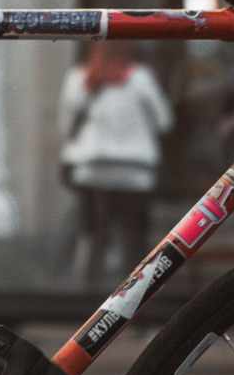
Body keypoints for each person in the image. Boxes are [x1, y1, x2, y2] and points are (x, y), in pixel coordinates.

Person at [58, 40, 172, 282]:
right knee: (134, 239)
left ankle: (89, 293)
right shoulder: (141, 79)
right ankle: (135, 296)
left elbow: (66, 128)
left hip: (91, 169)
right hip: (135, 172)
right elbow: (164, 121)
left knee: (94, 235)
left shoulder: (78, 79)